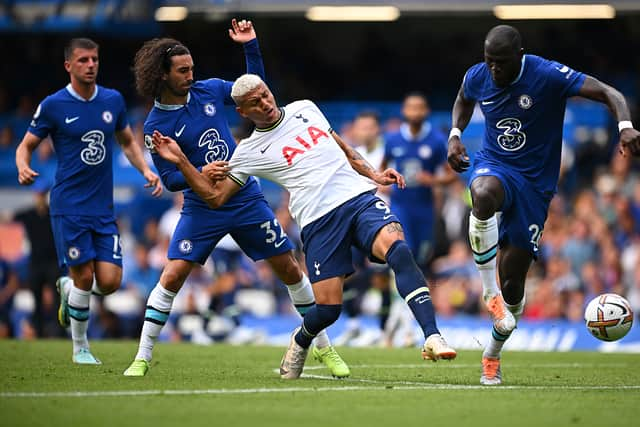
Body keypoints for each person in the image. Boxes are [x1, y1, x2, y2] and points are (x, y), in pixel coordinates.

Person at [151, 74, 457, 380]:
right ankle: (300, 340)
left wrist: (374, 175)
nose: (266, 103)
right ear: (243, 112)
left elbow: (345, 149)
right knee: (328, 310)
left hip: (358, 200)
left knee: (399, 251)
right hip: (318, 222)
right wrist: (182, 162)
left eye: (266, 95)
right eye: (255, 102)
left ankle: (432, 336)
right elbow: (215, 198)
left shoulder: (306, 108)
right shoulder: (246, 152)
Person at [123, 20, 349, 378]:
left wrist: (250, 47)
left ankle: (323, 348)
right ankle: (143, 356)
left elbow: (254, 92)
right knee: (172, 275)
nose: (190, 75)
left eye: (192, 68)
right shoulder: (155, 127)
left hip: (244, 197)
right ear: (162, 75)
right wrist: (201, 174)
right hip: (202, 207)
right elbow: (168, 180)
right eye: (182, 70)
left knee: (290, 269)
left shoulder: (209, 90)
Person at [446, 25, 640, 385]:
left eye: (500, 63)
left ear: (519, 57)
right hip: (497, 164)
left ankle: (492, 354)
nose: (494, 71)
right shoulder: (479, 75)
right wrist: (455, 136)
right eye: (489, 62)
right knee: (483, 191)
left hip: (536, 185)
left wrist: (625, 125)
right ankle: (489, 292)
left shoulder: (547, 74)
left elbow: (609, 92)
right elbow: (463, 98)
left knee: (515, 285)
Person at [15, 38, 163, 364]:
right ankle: (80, 347)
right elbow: (25, 145)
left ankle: (71, 292)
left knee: (109, 282)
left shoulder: (112, 100)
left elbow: (126, 141)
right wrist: (23, 166)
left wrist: (145, 170)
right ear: (69, 66)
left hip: (102, 209)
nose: (91, 65)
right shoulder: (54, 105)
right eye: (83, 60)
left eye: (94, 59)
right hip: (68, 206)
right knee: (84, 277)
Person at [383, 92, 457, 269]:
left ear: (426, 111)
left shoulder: (436, 140)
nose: (415, 112)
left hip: (425, 206)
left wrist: (433, 180)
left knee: (423, 255)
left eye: (419, 108)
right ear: (404, 111)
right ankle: (400, 295)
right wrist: (385, 182)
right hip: (400, 204)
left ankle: (421, 293)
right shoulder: (393, 139)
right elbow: (382, 167)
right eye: (411, 108)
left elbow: (452, 175)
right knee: (403, 249)